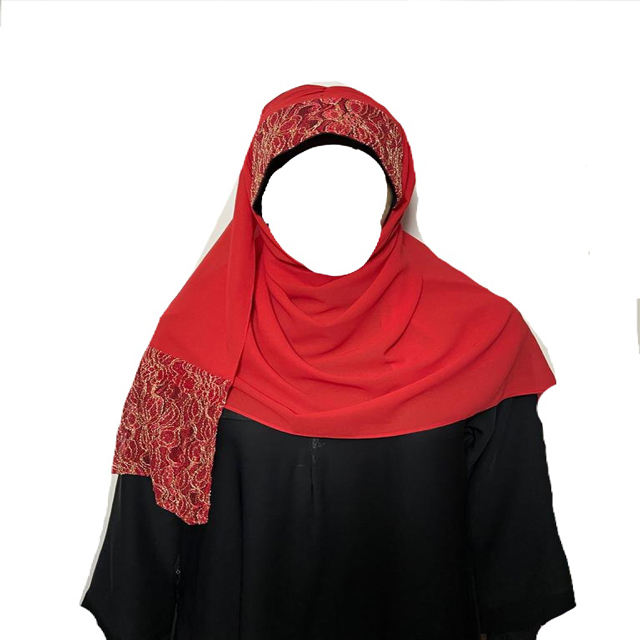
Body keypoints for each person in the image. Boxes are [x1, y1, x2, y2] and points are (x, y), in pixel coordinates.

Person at [81, 84, 576, 640]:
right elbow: (142, 565)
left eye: (355, 189)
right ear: (258, 203)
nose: (327, 211)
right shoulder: (193, 345)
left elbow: (513, 559)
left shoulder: (482, 338)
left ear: (393, 202)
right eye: (298, 189)